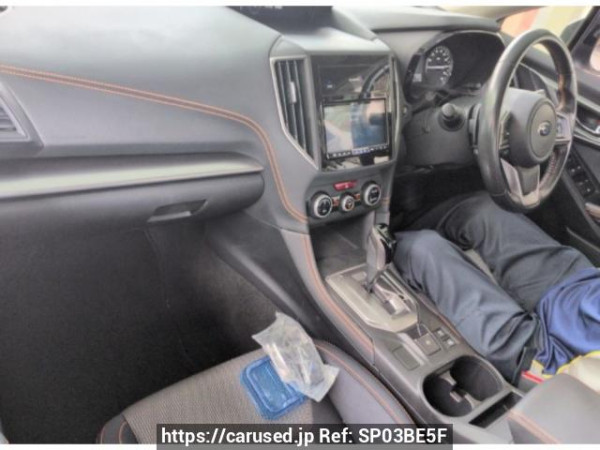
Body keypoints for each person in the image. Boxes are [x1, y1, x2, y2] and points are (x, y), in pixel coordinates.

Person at [394, 192, 600, 382]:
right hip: (581, 290)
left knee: (422, 250)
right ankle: (393, 227)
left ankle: (382, 246)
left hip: (551, 358)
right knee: (481, 210)